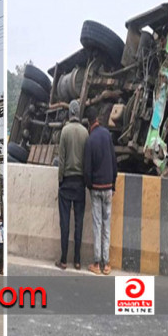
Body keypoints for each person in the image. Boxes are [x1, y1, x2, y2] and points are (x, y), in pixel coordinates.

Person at [83, 106, 117, 275]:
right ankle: (107, 264)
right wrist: (113, 184)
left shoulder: (90, 140)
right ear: (97, 118)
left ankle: (96, 263)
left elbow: (87, 169)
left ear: (88, 123)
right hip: (108, 187)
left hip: (96, 189)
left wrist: (89, 185)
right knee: (107, 224)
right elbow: (114, 162)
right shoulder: (107, 135)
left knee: (97, 225)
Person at [55, 100, 89, 270]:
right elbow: (87, 159)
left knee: (65, 223)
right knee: (78, 223)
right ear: (79, 113)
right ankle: (77, 260)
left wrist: (60, 180)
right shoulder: (85, 133)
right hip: (80, 183)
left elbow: (61, 159)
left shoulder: (65, 131)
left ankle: (63, 260)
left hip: (67, 181)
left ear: (70, 113)